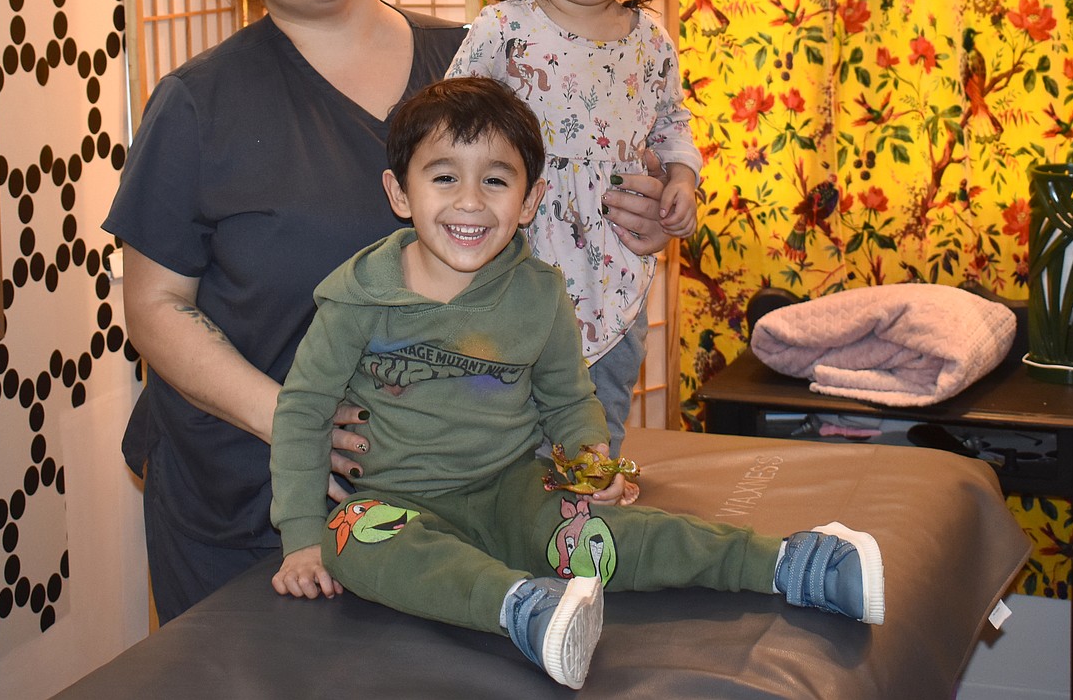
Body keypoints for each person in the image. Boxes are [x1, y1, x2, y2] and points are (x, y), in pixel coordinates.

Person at [103, 0, 680, 623]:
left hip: (448, 498)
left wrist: (640, 217)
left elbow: (582, 186)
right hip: (244, 496)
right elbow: (154, 307)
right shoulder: (202, 103)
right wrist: (290, 420)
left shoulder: (489, 56)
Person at [270, 77, 885, 691]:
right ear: (400, 192)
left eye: (495, 180)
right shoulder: (356, 297)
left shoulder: (539, 294)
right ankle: (527, 611)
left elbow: (569, 401)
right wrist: (299, 538)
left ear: (531, 200)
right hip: (396, 505)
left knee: (614, 537)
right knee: (351, 544)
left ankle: (791, 563)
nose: (470, 202)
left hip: (515, 492)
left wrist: (592, 471)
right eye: (443, 177)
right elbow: (302, 413)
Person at [448, 0, 701, 457]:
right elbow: (450, 119)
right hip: (519, 248)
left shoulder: (650, 40)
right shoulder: (502, 28)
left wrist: (683, 182)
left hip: (614, 247)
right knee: (505, 385)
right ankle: (507, 497)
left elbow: (672, 123)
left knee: (607, 381)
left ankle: (591, 489)